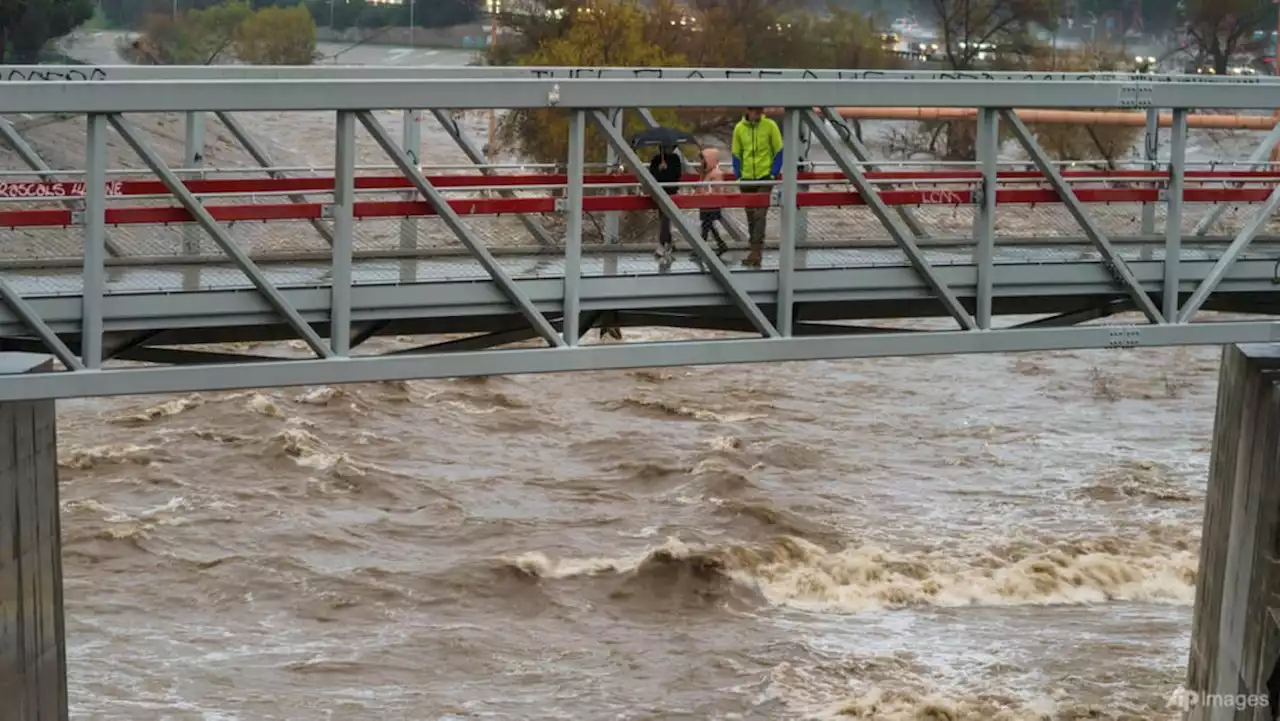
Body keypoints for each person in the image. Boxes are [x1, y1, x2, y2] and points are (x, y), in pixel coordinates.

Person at [731, 107, 783, 268]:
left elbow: (779, 150)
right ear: (748, 111)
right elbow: (736, 153)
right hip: (746, 179)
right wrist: (738, 175)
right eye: (755, 110)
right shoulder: (739, 128)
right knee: (751, 216)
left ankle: (756, 251)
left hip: (764, 178)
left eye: (760, 110)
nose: (759, 113)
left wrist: (773, 174)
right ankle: (754, 250)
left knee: (760, 214)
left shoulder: (770, 125)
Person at [648, 144, 683, 258]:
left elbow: (677, 175)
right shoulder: (656, 159)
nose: (669, 150)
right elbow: (651, 175)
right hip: (659, 191)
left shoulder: (675, 159)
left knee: (665, 218)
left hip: (671, 192)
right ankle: (669, 242)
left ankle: (663, 244)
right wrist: (659, 169)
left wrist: (668, 169)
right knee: (664, 217)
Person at [697, 147, 729, 256]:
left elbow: (718, 189)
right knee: (707, 225)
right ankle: (720, 244)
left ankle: (701, 249)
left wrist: (706, 194)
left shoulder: (716, 173)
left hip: (712, 203)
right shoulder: (706, 173)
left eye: (703, 159)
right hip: (706, 203)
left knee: (706, 225)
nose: (700, 162)